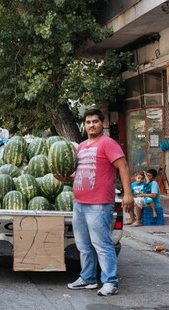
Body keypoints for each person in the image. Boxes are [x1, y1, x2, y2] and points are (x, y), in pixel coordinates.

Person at [56, 108, 133, 296]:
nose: (91, 125)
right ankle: (88, 278)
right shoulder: (81, 147)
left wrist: (128, 193)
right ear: (85, 125)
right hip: (80, 203)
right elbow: (79, 174)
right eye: (88, 122)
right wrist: (65, 178)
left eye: (95, 122)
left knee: (102, 244)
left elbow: (122, 167)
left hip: (99, 204)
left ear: (102, 124)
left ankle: (110, 282)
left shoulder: (108, 143)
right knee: (83, 245)